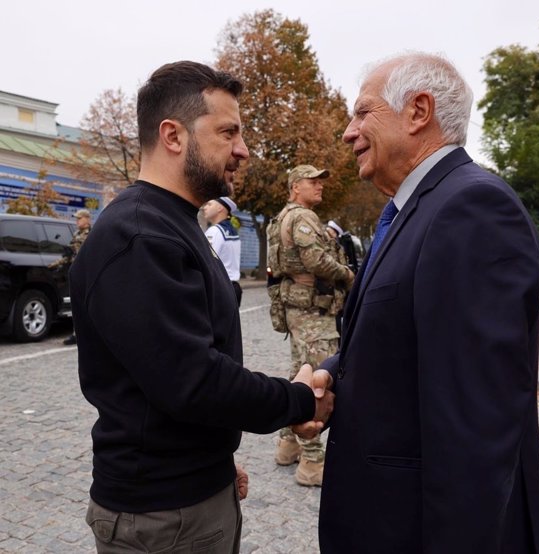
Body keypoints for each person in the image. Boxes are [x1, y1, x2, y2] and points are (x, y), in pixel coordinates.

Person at [70, 61, 332, 553]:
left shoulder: (174, 222)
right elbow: (191, 380)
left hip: (187, 498)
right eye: (228, 132)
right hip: (161, 517)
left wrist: (213, 461)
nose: (243, 149)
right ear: (173, 135)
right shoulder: (139, 235)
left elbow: (173, 374)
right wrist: (298, 401)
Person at [309, 53, 539, 553]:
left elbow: (476, 429)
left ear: (418, 111)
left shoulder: (472, 209)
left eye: (362, 113)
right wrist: (335, 373)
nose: (348, 133)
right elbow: (402, 334)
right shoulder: (413, 209)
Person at [269, 165, 354, 487]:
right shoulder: (302, 217)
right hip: (312, 311)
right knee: (319, 382)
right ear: (295, 187)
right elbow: (316, 261)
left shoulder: (281, 217)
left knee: (299, 372)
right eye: (312, 182)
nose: (319, 186)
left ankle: (287, 445)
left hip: (298, 308)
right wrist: (349, 275)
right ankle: (312, 462)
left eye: (321, 181)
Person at [49, 208, 92, 345]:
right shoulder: (76, 234)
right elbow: (69, 256)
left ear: (87, 219)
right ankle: (77, 334)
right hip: (76, 273)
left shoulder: (93, 234)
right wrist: (54, 264)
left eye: (79, 218)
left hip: (89, 274)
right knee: (77, 305)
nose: (77, 221)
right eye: (77, 218)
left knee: (90, 305)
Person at [203, 196, 242, 305]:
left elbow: (206, 262)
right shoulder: (233, 231)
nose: (205, 207)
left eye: (209, 204)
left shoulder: (214, 231)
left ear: (220, 208)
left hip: (219, 289)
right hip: (233, 287)